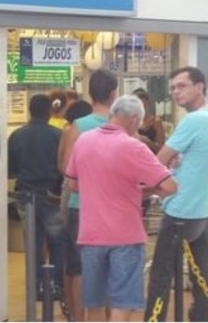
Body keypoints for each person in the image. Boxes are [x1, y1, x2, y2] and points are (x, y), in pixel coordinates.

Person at [66, 95, 177, 322]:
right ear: (135, 119)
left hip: (91, 235)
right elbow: (169, 186)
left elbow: (72, 184)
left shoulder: (84, 140)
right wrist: (142, 191)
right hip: (126, 236)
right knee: (124, 303)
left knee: (94, 304)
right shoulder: (133, 147)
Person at [144, 66, 208, 322]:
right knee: (201, 272)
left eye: (182, 86)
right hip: (206, 208)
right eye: (172, 88)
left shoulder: (194, 120)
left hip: (183, 209)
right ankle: (202, 318)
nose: (175, 92)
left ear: (200, 87)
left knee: (161, 275)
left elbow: (157, 162)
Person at [58, 68, 118, 318]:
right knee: (110, 267)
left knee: (78, 268)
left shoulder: (79, 127)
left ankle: (77, 318)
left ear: (90, 94)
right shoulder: (121, 127)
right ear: (114, 94)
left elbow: (66, 168)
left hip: (80, 205)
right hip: (114, 208)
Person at [8, 94, 68, 297]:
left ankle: (35, 287)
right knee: (57, 242)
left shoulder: (17, 135)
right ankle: (56, 286)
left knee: (33, 244)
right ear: (50, 112)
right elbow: (64, 166)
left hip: (25, 196)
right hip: (52, 195)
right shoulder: (58, 135)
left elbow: (10, 169)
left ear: (29, 110)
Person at [132, 88, 166, 153]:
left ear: (147, 103)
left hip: (151, 156)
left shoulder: (156, 121)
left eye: (143, 106)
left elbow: (161, 148)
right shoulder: (131, 122)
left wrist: (148, 142)